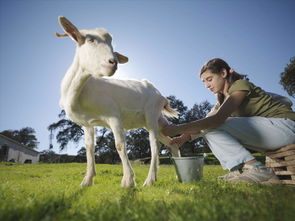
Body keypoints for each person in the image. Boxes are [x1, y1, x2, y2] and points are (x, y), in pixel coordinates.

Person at [162, 58, 295, 184]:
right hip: (272, 133)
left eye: (209, 79)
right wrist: (182, 138)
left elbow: (216, 120)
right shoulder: (222, 102)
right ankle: (239, 169)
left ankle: (259, 170)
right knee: (209, 124)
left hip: (287, 127)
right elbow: (207, 122)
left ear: (223, 73)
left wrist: (177, 128)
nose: (207, 86)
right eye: (204, 82)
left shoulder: (240, 85)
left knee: (214, 123)